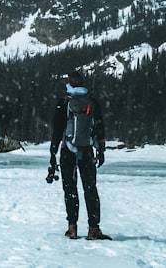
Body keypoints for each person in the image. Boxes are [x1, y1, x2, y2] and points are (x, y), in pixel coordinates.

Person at [49, 70, 111, 240]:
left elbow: (57, 129)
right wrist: (101, 149)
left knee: (70, 188)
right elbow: (99, 126)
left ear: (69, 83)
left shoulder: (64, 102)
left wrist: (53, 152)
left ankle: (72, 227)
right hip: (87, 150)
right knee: (90, 189)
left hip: (68, 149)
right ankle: (93, 228)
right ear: (83, 83)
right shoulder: (91, 101)